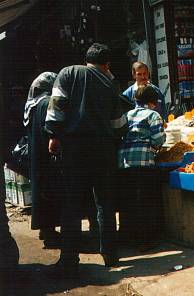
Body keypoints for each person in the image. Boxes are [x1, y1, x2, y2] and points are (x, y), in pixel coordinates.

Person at [45, 43, 127, 276]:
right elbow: (119, 124)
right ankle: (110, 255)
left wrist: (53, 134)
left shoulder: (68, 72)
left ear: (86, 59)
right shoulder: (109, 82)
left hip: (74, 150)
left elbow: (56, 106)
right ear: (107, 64)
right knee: (104, 203)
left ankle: (69, 259)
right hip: (103, 150)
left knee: (71, 204)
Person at [118, 85, 166, 251]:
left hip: (124, 163)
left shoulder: (127, 114)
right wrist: (155, 147)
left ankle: (127, 237)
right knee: (144, 202)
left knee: (128, 201)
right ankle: (144, 241)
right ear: (152, 102)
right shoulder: (153, 115)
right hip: (144, 163)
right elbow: (159, 139)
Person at [23, 72, 61, 247]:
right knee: (50, 193)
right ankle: (50, 234)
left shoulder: (31, 105)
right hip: (47, 156)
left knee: (42, 193)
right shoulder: (46, 103)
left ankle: (45, 230)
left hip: (37, 157)